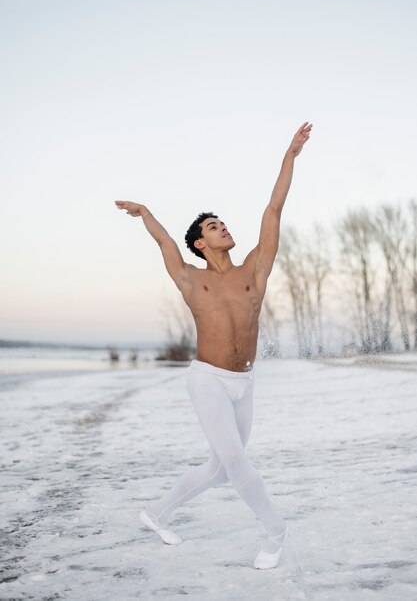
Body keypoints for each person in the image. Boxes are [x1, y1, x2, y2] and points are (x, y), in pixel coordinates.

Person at [115, 121, 312, 569]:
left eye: (223, 222)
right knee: (236, 462)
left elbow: (274, 209)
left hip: (245, 382)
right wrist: (145, 213)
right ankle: (276, 532)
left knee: (222, 469)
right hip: (207, 380)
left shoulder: (255, 270)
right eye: (213, 226)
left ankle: (156, 513)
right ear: (201, 243)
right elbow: (165, 241)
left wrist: (290, 155)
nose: (223, 227)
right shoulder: (191, 279)